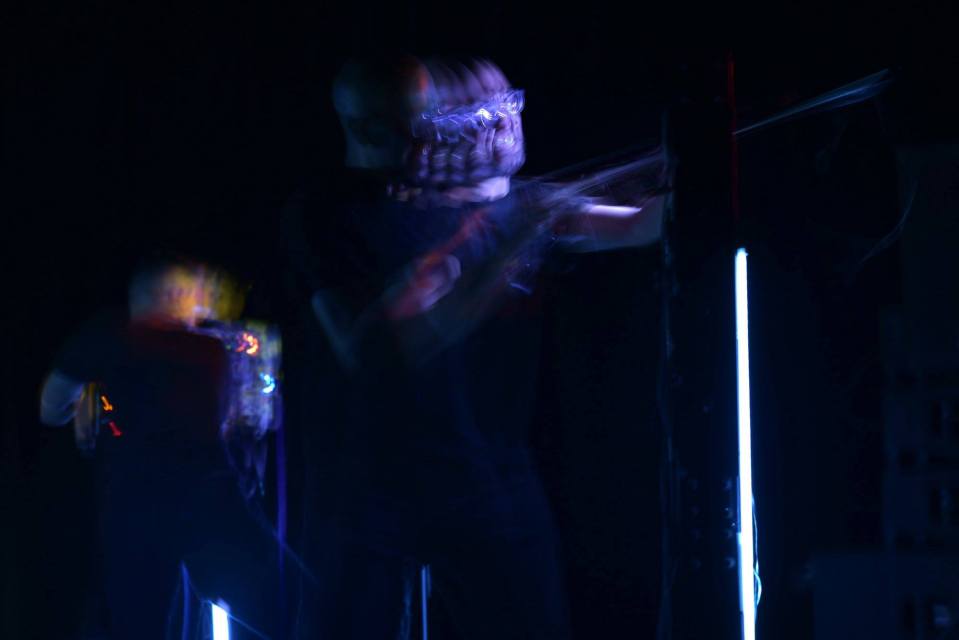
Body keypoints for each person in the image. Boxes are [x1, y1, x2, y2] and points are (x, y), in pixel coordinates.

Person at [284, 55, 664, 639]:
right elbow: (382, 351)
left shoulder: (520, 205)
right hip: (363, 489)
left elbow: (638, 224)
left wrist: (692, 173)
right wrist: (499, 257)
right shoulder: (331, 214)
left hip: (489, 482)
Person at [39, 258, 282, 639]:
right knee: (261, 595)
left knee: (140, 617)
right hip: (209, 501)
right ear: (173, 294)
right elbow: (249, 418)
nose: (203, 300)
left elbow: (51, 408)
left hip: (134, 506)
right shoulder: (213, 348)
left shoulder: (108, 334)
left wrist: (84, 400)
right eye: (196, 290)